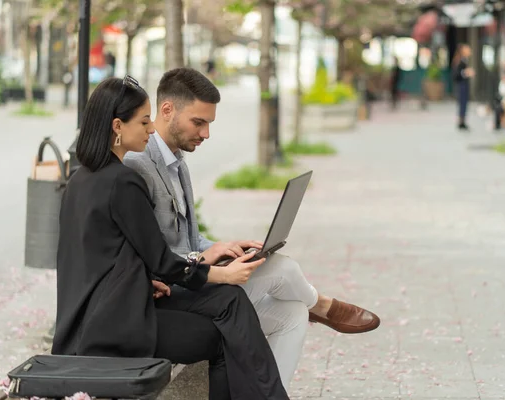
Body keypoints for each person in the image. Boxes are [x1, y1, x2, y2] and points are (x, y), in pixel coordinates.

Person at [124, 68, 381, 389]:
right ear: (167, 110)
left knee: (292, 315)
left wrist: (221, 248)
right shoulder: (138, 166)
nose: (206, 134)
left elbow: (189, 238)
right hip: (172, 289)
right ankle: (323, 306)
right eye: (198, 122)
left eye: (209, 124)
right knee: (283, 269)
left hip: (195, 274)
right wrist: (205, 259)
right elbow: (152, 252)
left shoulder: (177, 160)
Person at [52, 75, 289, 400]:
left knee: (230, 300)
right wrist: (222, 273)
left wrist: (142, 281)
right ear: (118, 126)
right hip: (112, 329)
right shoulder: (123, 182)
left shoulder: (81, 180)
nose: (151, 130)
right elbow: (162, 261)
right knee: (222, 335)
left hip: (96, 316)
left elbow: (97, 256)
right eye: (144, 121)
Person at [452, 44, 475, 130]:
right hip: (461, 85)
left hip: (464, 85)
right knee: (462, 103)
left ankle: (462, 121)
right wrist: (466, 72)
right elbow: (456, 74)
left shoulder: (465, 60)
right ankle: (461, 121)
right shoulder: (459, 61)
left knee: (464, 103)